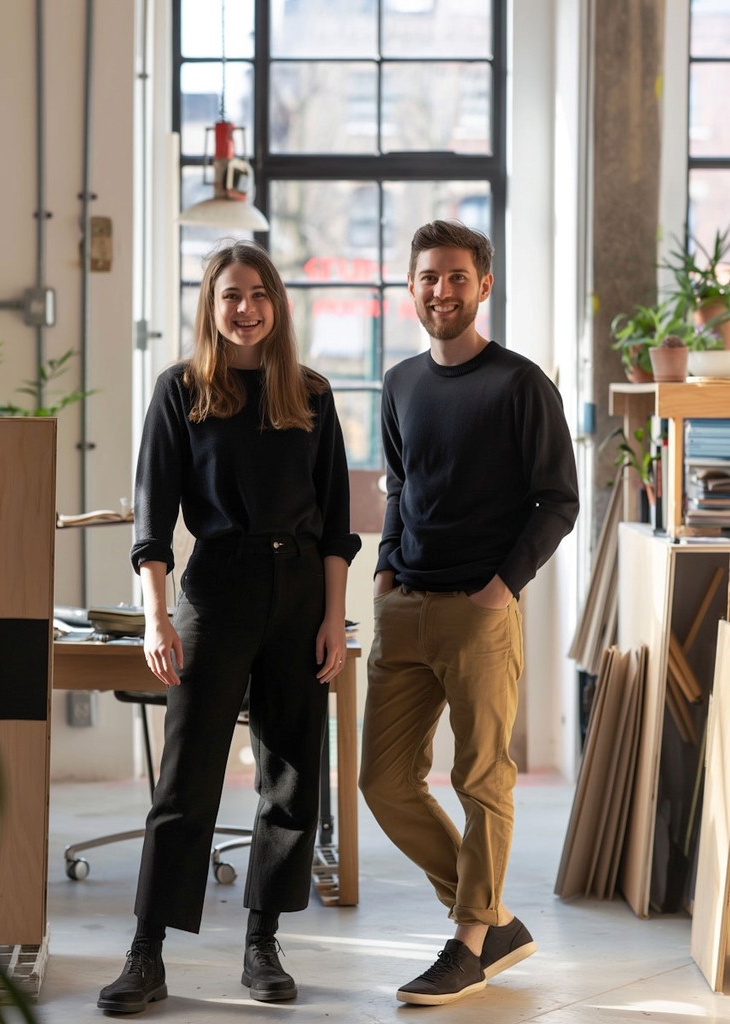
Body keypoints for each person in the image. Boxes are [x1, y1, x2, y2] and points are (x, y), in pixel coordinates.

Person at [98, 239, 361, 1014]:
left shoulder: (309, 393)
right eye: (229, 296)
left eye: (257, 295)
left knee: (290, 774)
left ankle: (262, 943)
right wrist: (155, 616)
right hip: (215, 586)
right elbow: (151, 519)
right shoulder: (179, 390)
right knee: (187, 778)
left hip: (301, 590)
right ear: (209, 307)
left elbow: (337, 521)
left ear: (275, 304)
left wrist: (332, 618)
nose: (244, 309)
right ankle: (146, 952)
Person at [359, 220, 579, 1006]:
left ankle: (467, 941)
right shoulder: (399, 383)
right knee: (382, 781)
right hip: (405, 606)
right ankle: (490, 919)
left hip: (479, 612)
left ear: (482, 286)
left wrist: (501, 587)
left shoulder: (520, 385)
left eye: (456, 277)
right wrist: (384, 570)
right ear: (410, 286)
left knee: (482, 779)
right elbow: (397, 486)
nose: (440, 291)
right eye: (427, 277)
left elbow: (557, 501)